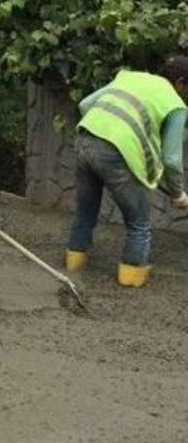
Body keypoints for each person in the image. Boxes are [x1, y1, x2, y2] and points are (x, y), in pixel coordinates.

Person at [65, 56, 188, 287]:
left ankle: (74, 264)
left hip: (85, 139)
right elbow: (171, 160)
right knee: (138, 223)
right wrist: (179, 194)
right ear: (181, 82)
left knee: (85, 211)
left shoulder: (129, 77)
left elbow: (84, 105)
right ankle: (131, 277)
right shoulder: (175, 104)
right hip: (117, 152)